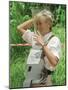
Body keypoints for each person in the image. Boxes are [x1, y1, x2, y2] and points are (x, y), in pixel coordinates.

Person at [17, 9, 61, 87]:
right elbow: (19, 28)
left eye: (40, 23)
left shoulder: (54, 40)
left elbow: (54, 62)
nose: (37, 26)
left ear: (49, 24)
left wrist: (43, 44)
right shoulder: (35, 37)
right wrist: (35, 19)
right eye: (36, 24)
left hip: (42, 83)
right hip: (28, 82)